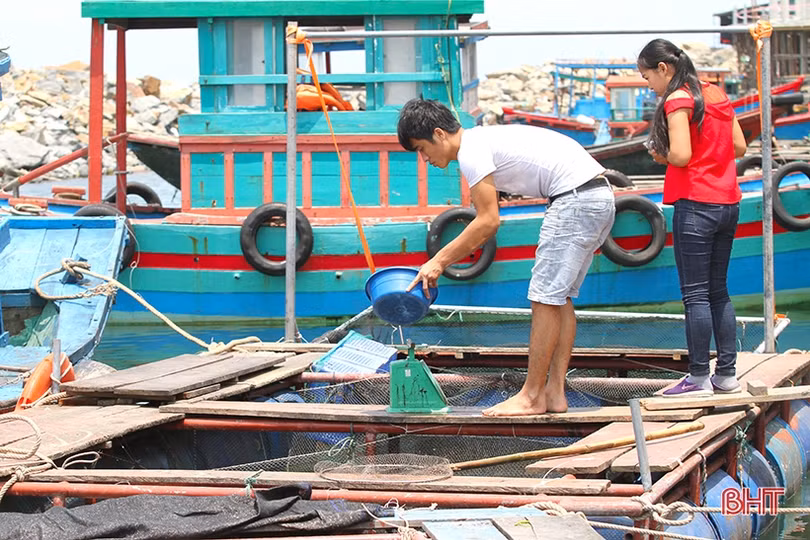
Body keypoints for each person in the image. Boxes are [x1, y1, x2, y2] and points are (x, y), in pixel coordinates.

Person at [396, 99, 615, 416]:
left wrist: (438, 261)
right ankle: (553, 394)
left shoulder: (471, 152)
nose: (424, 158)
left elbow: (488, 220)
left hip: (575, 199)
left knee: (544, 298)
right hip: (597, 195)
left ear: (439, 134)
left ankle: (531, 397)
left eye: (421, 148)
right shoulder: (481, 140)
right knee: (558, 298)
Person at [637, 39, 747, 397]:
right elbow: (741, 147)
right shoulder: (714, 94)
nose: (648, 84)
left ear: (664, 69)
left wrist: (662, 156)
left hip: (696, 203)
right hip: (728, 202)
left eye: (647, 76)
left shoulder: (677, 98)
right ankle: (727, 375)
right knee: (719, 292)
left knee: (696, 296)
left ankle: (698, 377)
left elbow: (682, 155)